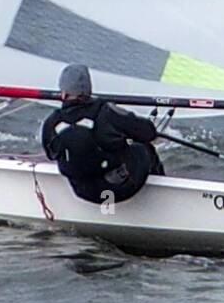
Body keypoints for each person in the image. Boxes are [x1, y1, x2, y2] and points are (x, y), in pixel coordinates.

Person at [41, 62, 164, 204]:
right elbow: (148, 133)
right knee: (143, 148)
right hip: (118, 189)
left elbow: (51, 155)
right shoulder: (106, 112)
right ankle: (164, 197)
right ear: (89, 88)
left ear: (62, 92)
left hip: (83, 192)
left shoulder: (52, 122)